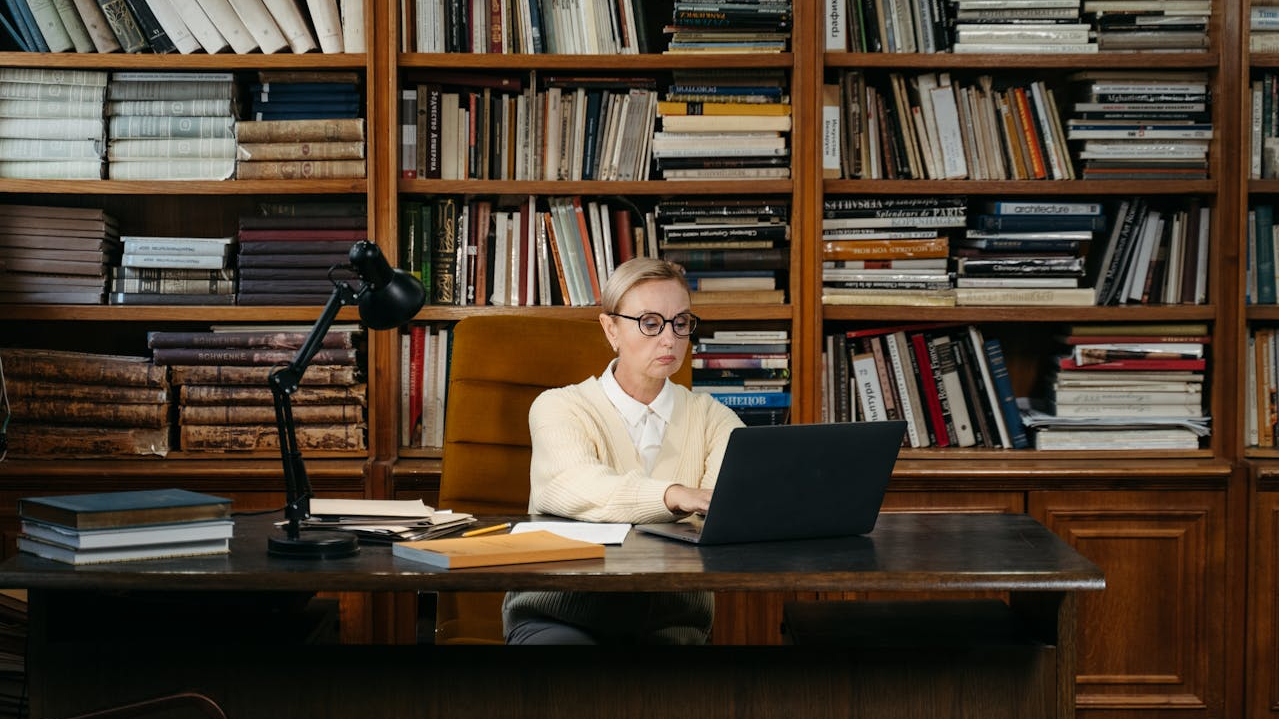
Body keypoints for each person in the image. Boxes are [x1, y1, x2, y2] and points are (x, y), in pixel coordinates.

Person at [502, 257, 744, 645]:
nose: (669, 339)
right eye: (650, 323)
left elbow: (726, 513)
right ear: (611, 328)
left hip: (669, 620)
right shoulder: (559, 407)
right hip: (560, 613)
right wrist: (673, 496)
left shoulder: (715, 419)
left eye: (680, 323)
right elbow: (574, 485)